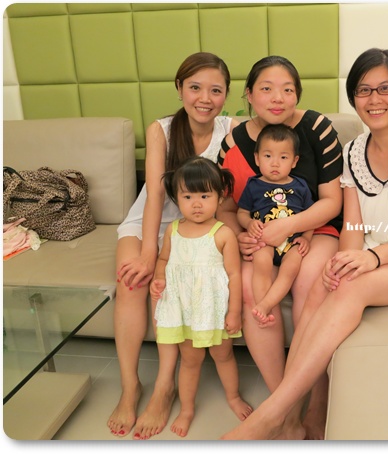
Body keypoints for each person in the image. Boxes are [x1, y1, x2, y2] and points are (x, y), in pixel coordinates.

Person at [221, 48, 388, 440]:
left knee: (351, 286)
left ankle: (273, 417)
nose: (375, 99)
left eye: (386, 88)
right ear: (354, 97)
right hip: (374, 252)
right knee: (324, 282)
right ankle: (301, 414)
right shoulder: (354, 151)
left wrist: (371, 258)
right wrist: (347, 258)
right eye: (364, 90)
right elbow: (352, 224)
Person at [107, 52, 238, 439]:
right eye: (195, 87)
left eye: (215, 90)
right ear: (179, 88)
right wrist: (150, 253)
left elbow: (230, 196)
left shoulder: (232, 130)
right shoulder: (161, 130)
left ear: (227, 94)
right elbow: (153, 197)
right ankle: (130, 387)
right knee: (131, 281)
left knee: (167, 288)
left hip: (201, 223)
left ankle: (165, 386)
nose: (205, 98)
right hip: (152, 220)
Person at [217, 55, 343, 439]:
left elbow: (331, 201)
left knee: (308, 280)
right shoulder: (233, 143)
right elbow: (225, 208)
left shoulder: (317, 127)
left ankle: (317, 403)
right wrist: (239, 232)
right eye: (267, 89)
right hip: (260, 237)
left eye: (288, 90)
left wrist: (289, 226)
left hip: (313, 230)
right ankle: (284, 410)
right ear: (248, 94)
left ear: (297, 95)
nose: (278, 98)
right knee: (246, 285)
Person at [149, 156, 252, 438]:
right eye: (188, 196)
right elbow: (164, 260)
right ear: (176, 198)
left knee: (223, 356)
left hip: (214, 311)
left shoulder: (223, 234)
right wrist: (158, 279)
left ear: (220, 197)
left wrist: (234, 312)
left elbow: (234, 275)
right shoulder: (173, 230)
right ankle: (186, 409)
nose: (196, 204)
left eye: (205, 196)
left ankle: (233, 397)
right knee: (190, 361)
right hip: (185, 310)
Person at [237, 124, 314, 325]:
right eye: (268, 156)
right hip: (264, 241)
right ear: (257, 158)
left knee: (291, 269)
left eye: (283, 157)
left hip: (292, 243)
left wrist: (306, 238)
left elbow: (310, 216)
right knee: (261, 263)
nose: (275, 163)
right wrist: (249, 223)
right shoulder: (253, 185)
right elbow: (242, 212)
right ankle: (262, 306)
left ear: (294, 161)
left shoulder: (301, 186)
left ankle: (266, 305)